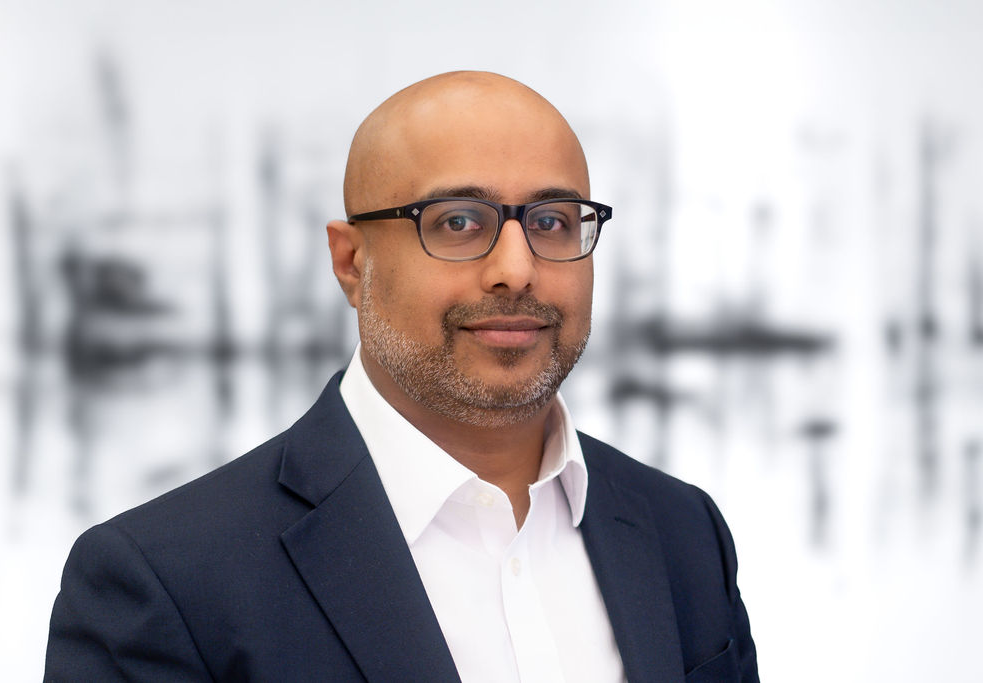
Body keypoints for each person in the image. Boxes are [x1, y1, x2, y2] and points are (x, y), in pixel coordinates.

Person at [45, 71, 759, 682]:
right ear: (351, 262)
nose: (516, 269)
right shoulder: (165, 582)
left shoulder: (684, 531)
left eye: (551, 222)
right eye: (458, 222)